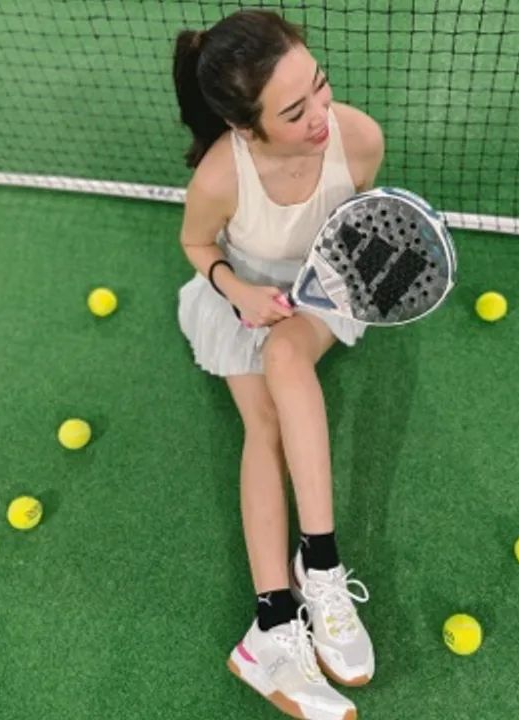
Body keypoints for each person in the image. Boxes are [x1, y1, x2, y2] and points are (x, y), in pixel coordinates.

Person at [173, 9, 384, 720]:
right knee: (263, 424)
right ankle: (273, 624)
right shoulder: (219, 177)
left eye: (320, 85)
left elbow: (358, 229)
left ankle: (319, 565)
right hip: (244, 298)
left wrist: (348, 277)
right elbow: (197, 246)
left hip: (320, 293)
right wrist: (237, 290)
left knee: (291, 354)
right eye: (294, 113)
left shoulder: (358, 139)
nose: (321, 114)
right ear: (244, 127)